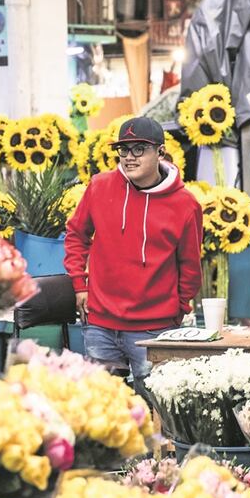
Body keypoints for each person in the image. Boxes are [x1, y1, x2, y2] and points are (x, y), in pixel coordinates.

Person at [64, 116, 203, 389]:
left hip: (154, 330)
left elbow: (190, 267)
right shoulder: (99, 186)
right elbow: (76, 235)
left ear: (160, 152)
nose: (129, 157)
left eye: (139, 149)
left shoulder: (185, 205)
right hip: (100, 324)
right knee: (100, 406)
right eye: (123, 149)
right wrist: (79, 284)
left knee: (155, 406)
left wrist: (176, 312)